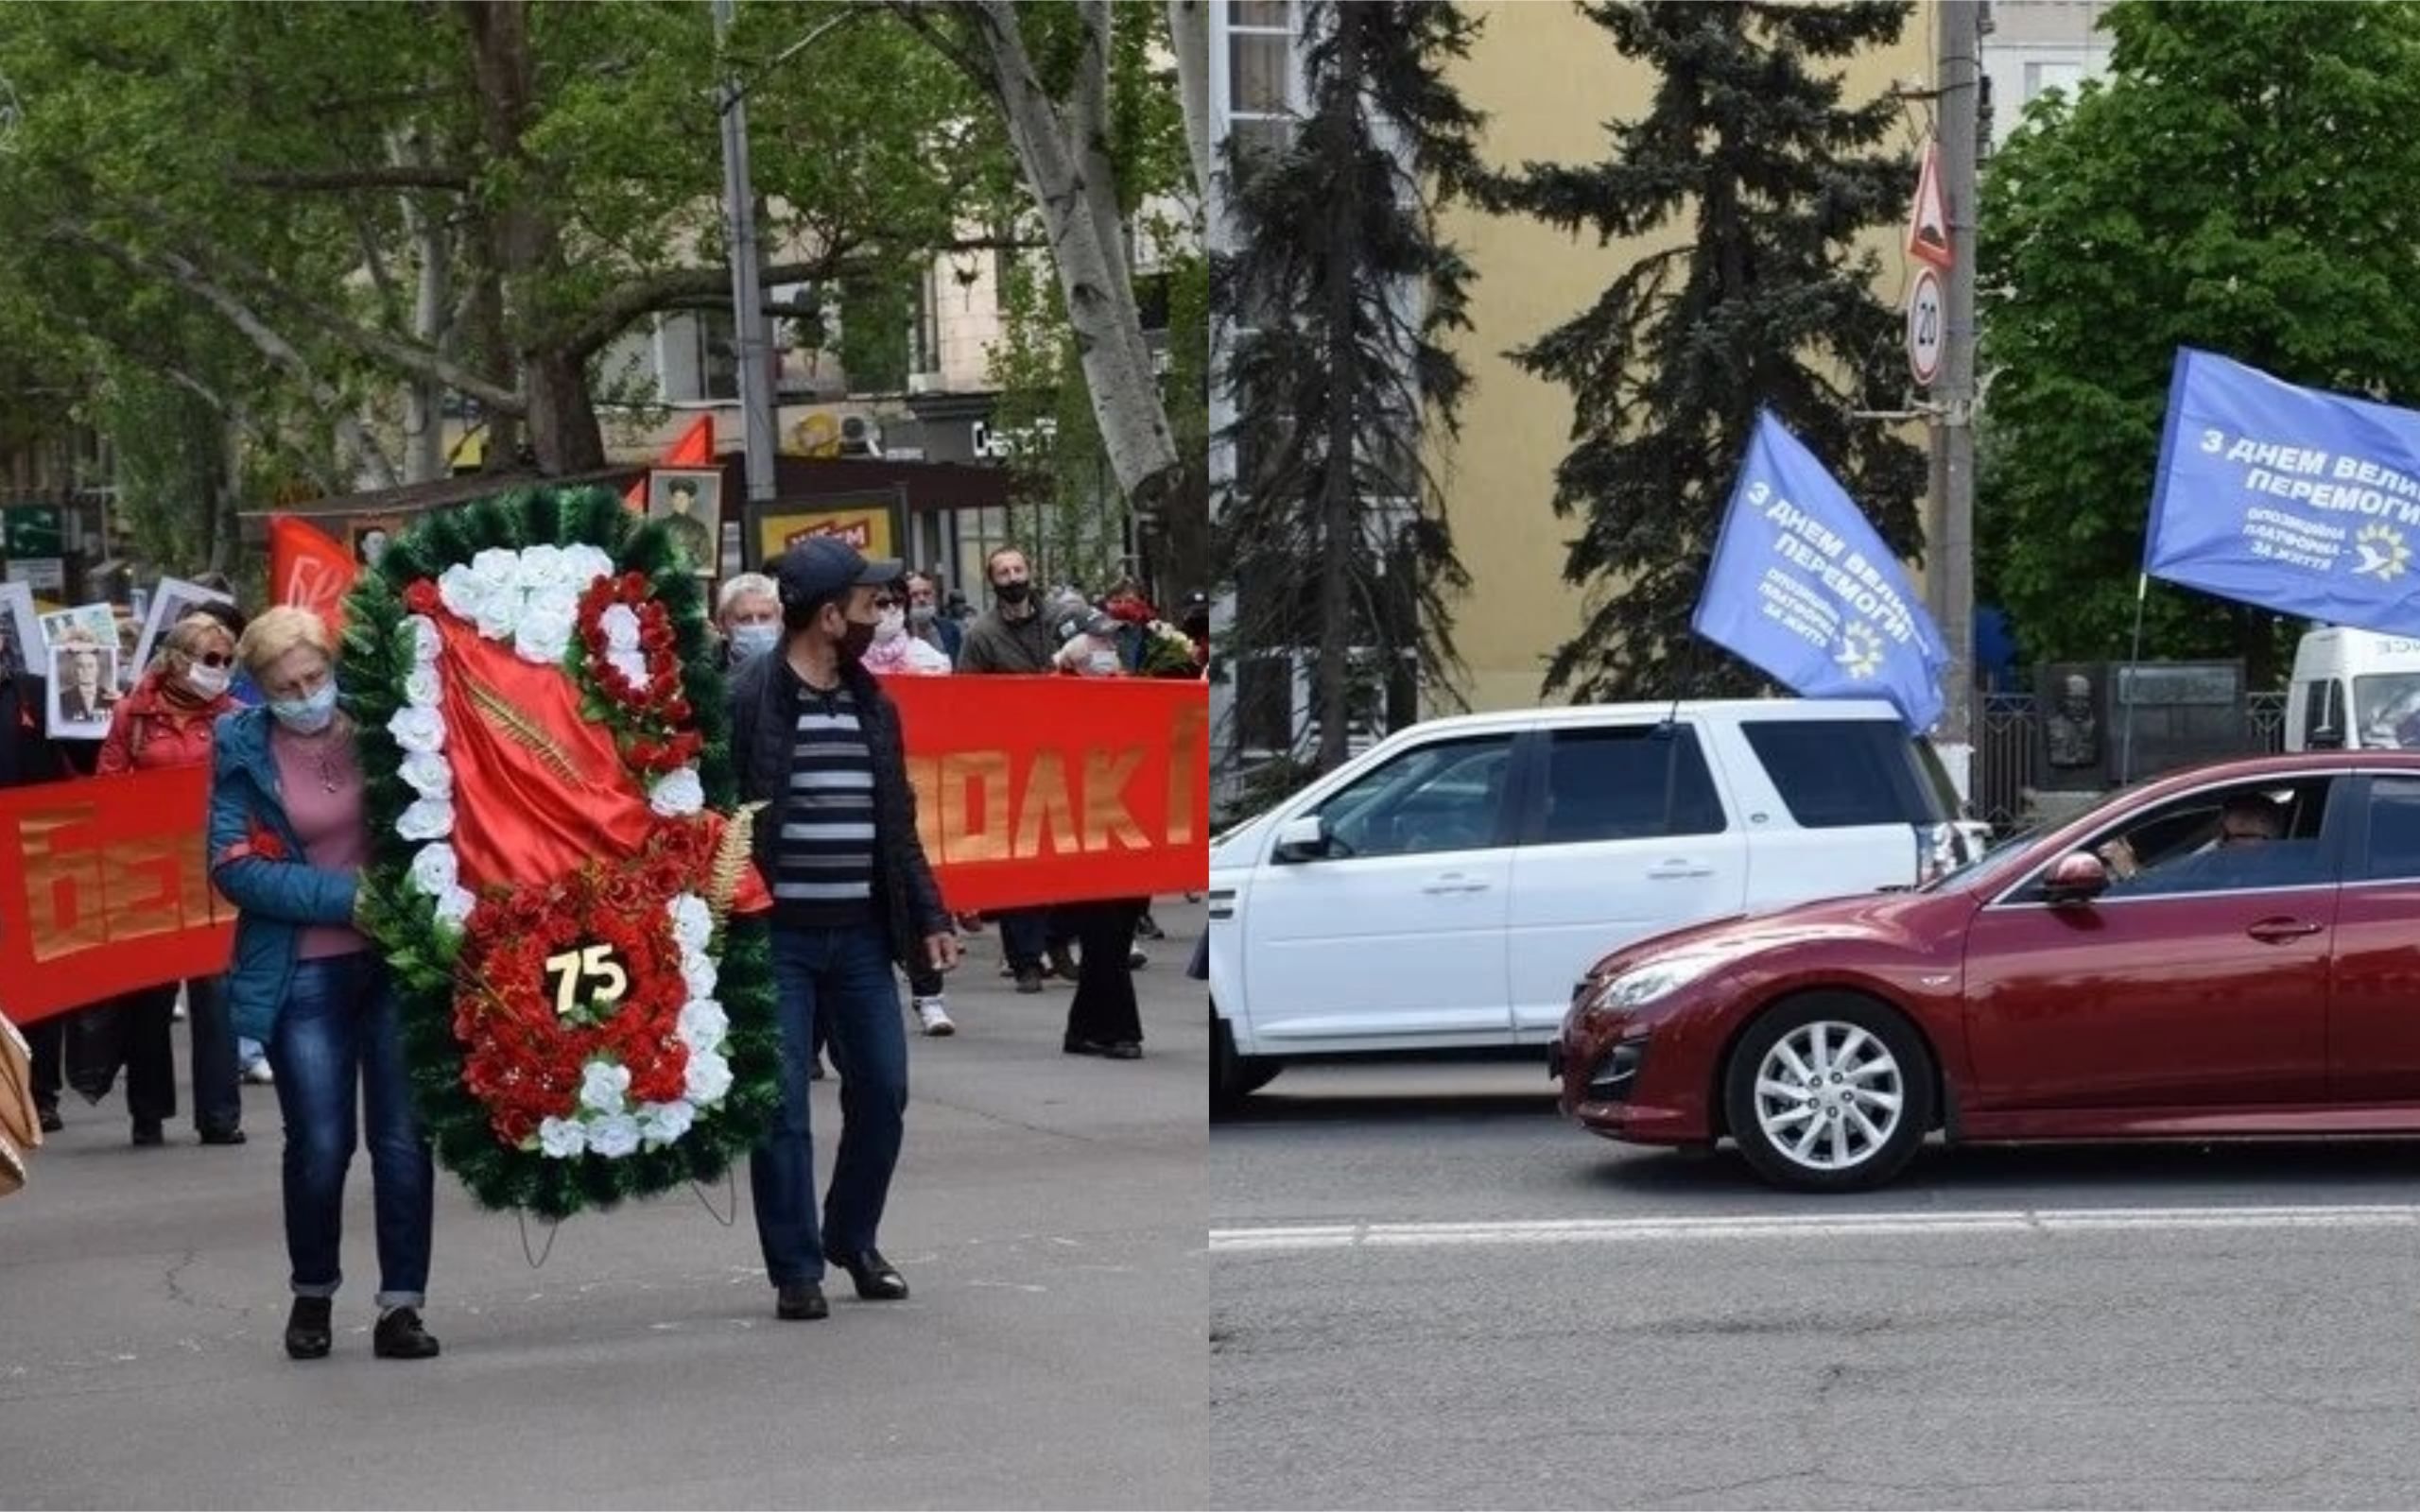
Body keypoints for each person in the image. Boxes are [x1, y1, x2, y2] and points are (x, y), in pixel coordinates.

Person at [732, 536, 959, 1321]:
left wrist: (929, 915)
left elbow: (898, 825)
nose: (880, 613)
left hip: (861, 937)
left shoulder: (873, 702)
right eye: (869, 603)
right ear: (829, 617)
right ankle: (796, 1267)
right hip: (777, 940)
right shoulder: (748, 698)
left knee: (885, 1090)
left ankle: (852, 1238)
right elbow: (714, 818)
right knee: (781, 1108)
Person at [209, 607, 438, 1361]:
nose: (305, 694)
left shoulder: (385, 723)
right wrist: (349, 900)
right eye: (285, 686)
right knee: (321, 1141)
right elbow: (234, 867)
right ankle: (313, 1293)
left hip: (398, 961)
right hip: (304, 967)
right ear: (260, 691)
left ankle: (402, 1306)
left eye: (314, 677)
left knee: (403, 1139)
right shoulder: (240, 746)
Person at [96, 612, 245, 1147]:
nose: (221, 670)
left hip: (213, 868)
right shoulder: (131, 715)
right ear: (179, 660)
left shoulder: (237, 718)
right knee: (149, 998)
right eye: (211, 660)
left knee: (216, 992)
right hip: (150, 871)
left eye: (228, 661)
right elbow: (106, 787)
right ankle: (148, 1112)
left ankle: (220, 1115)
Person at [957, 546, 1061, 992]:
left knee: (1066, 857)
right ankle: (1025, 960)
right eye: (1004, 572)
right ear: (992, 581)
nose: (1013, 577)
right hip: (1013, 759)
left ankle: (1061, 943)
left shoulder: (1058, 620)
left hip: (1065, 752)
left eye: (1019, 569)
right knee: (1021, 862)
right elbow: (967, 697)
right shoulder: (981, 634)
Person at [859, 581, 956, 1036]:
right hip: (875, 793)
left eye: (893, 603)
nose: (888, 612)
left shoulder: (930, 662)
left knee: (917, 894)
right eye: (878, 604)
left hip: (922, 790)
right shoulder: (851, 670)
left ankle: (929, 993)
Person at [1053, 618, 1150, 1061]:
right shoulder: (1054, 696)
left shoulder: (1131, 693)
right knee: (1105, 932)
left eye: (1111, 641)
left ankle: (1082, 1028)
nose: (1107, 649)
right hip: (1082, 832)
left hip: (1129, 828)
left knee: (1117, 926)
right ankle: (1118, 1029)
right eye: (1097, 643)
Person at [2, 610, 72, 1132]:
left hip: (37, 855)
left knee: (43, 982)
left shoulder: (37, 692)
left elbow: (86, 757)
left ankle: (41, 1092)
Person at [2099, 793, 2289, 892]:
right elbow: (2173, 879)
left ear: (2268, 838)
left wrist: (2132, 875)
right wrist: (2133, 869)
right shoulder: (2217, 863)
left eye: (2234, 836)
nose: (2221, 843)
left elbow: (2170, 901)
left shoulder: (2268, 884)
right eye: (2221, 832)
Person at [716, 572, 783, 671]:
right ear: (722, 623)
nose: (757, 627)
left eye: (764, 617)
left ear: (780, 618)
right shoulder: (704, 674)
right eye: (745, 619)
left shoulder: (801, 670)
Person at [905, 571, 963, 665]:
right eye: (914, 595)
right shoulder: (898, 634)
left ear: (934, 595)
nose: (922, 599)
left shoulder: (950, 630)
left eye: (926, 593)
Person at [662, 478, 716, 572]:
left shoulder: (699, 528)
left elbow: (706, 557)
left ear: (691, 500)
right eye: (676, 498)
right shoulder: (661, 525)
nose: (680, 502)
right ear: (672, 500)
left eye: (683, 498)